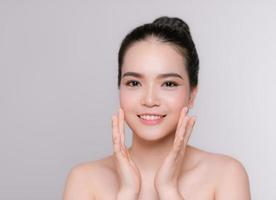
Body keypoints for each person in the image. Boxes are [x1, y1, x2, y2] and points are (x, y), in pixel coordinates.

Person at [63, 16, 251, 200]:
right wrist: (127, 193)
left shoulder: (226, 175)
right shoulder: (84, 180)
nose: (150, 99)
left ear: (192, 95)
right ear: (120, 88)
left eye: (168, 84)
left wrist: (168, 190)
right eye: (134, 83)